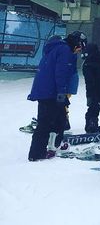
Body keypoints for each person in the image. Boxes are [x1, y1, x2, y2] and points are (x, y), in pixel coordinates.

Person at [27, 31, 84, 161]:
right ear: (76, 43)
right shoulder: (64, 50)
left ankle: (54, 145)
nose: (79, 51)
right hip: (50, 92)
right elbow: (61, 72)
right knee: (45, 123)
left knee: (60, 119)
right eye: (80, 47)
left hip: (48, 90)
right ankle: (36, 154)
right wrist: (61, 92)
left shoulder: (57, 48)